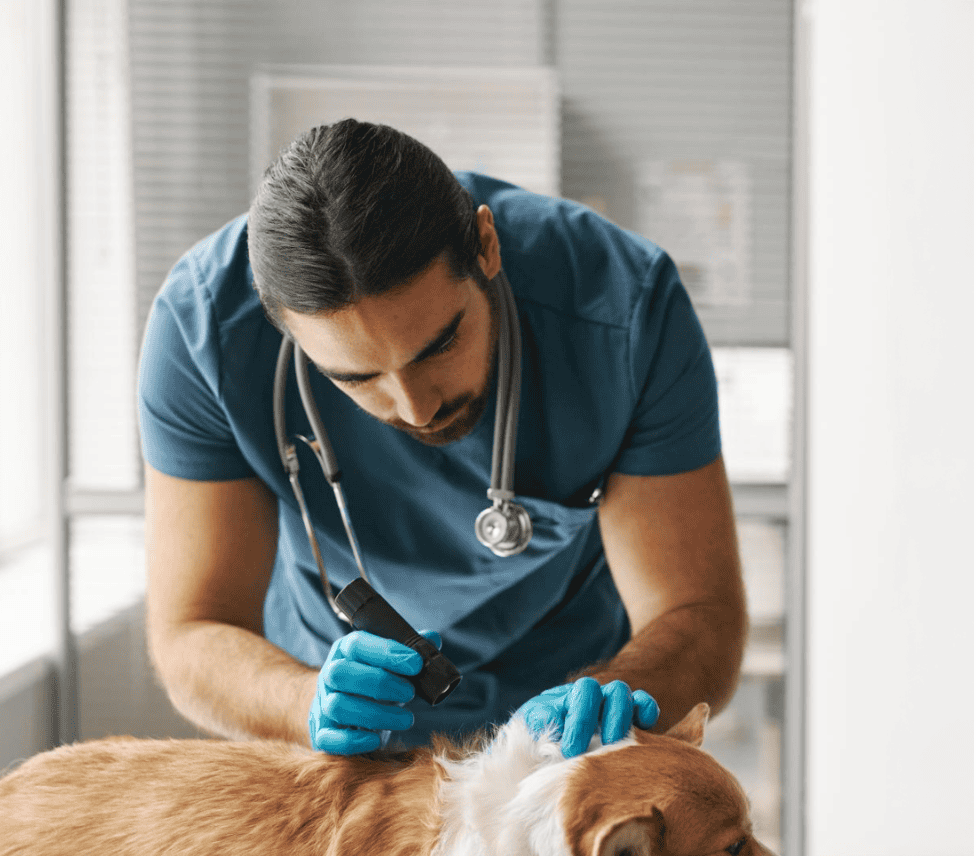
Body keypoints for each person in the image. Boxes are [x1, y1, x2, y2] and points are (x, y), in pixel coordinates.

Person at [140, 119, 747, 757]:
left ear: (486, 246)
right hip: (330, 724)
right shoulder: (201, 329)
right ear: (276, 322)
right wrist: (304, 702)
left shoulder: (623, 308)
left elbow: (698, 611)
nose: (417, 406)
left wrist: (619, 694)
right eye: (356, 377)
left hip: (566, 726)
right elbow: (193, 631)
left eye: (441, 344)